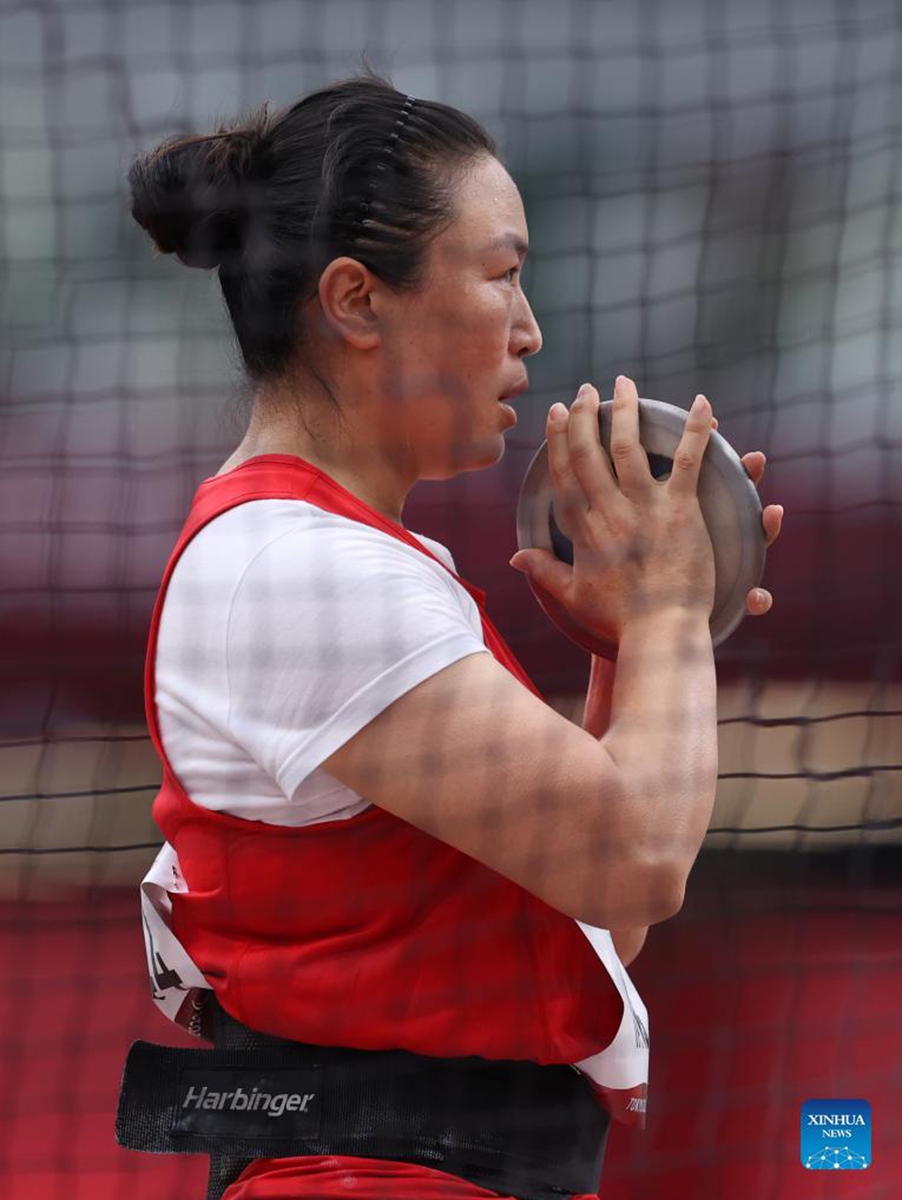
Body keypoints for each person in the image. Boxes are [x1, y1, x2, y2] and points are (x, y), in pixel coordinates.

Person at [126, 70, 784, 1200]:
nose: (528, 328)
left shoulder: (351, 562)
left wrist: (632, 648)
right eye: (501, 274)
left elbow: (601, 912)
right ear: (354, 300)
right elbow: (635, 854)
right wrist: (673, 610)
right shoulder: (298, 570)